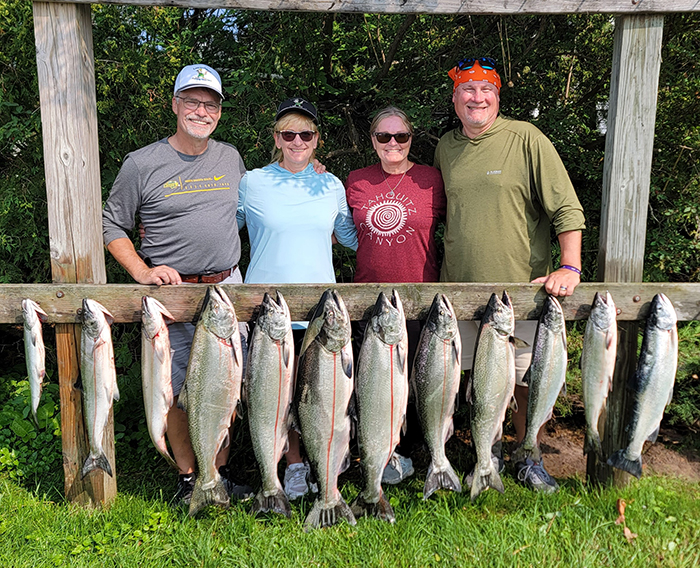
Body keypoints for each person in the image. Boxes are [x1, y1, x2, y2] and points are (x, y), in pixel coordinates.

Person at [102, 64, 253, 505]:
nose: (201, 111)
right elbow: (112, 223)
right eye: (192, 101)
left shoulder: (230, 157)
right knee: (179, 390)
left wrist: (309, 170)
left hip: (228, 288)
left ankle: (219, 474)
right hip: (175, 296)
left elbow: (257, 200)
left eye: (210, 104)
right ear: (174, 104)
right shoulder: (142, 163)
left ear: (219, 112)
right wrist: (142, 271)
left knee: (226, 384)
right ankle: (191, 478)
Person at [434, 57, 586, 493]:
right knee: (474, 383)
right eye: (468, 90)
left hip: (520, 291)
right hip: (460, 291)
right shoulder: (446, 147)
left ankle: (529, 454)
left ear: (497, 97)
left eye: (486, 91)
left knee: (524, 381)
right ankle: (488, 453)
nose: (477, 98)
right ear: (455, 98)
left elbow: (566, 207)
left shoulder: (526, 138)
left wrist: (569, 265)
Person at [236, 97, 358, 499]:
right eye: (288, 133)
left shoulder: (331, 184)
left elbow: (353, 238)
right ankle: (290, 466)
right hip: (269, 311)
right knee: (277, 397)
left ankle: (325, 465)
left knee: (321, 395)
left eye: (306, 134)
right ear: (276, 138)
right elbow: (222, 229)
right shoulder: (252, 181)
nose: (297, 141)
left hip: (323, 314)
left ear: (317, 139)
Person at [345, 106, 446, 485]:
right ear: (372, 140)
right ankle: (381, 453)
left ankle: (417, 451)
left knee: (418, 382)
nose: (392, 143)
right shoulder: (356, 180)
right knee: (375, 386)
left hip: (420, 298)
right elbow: (339, 228)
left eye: (400, 136)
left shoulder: (431, 179)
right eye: (383, 136)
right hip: (369, 302)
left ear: (410, 139)